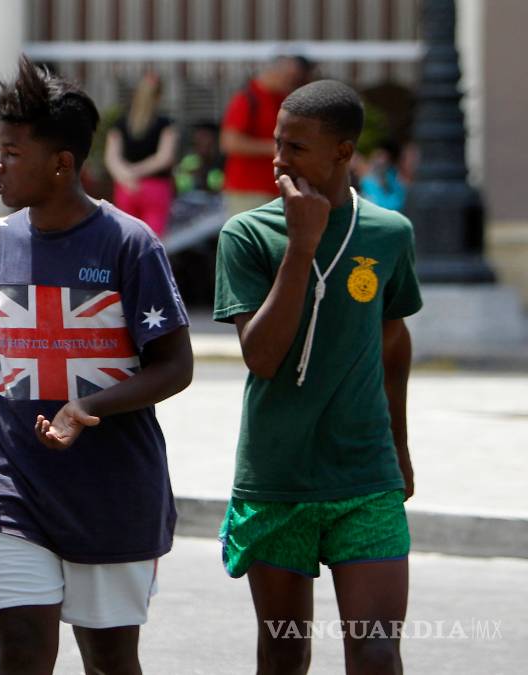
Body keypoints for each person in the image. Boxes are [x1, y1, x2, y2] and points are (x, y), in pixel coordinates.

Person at [0, 56, 193, 675]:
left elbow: (175, 366)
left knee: (109, 662)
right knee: (22, 656)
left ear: (62, 163)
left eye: (12, 152)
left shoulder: (129, 243)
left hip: (112, 492)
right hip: (9, 486)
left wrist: (86, 409)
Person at [213, 80, 421, 674]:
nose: (278, 159)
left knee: (376, 654)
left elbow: (393, 342)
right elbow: (261, 356)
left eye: (296, 147)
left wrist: (400, 447)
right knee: (284, 653)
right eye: (278, 143)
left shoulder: (389, 233)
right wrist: (301, 245)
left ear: (342, 151)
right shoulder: (247, 235)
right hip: (277, 477)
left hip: (365, 475)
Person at [220, 54, 314, 217]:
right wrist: (277, 148)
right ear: (275, 72)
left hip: (277, 188)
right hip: (249, 189)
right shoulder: (247, 98)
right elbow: (229, 143)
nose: (293, 82)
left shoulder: (282, 99)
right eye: (290, 77)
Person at [103, 72, 178, 237]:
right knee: (153, 240)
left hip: (126, 187)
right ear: (159, 96)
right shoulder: (166, 125)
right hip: (156, 188)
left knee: (126, 238)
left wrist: (126, 175)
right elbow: (164, 158)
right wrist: (138, 171)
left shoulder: (120, 124)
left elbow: (111, 158)